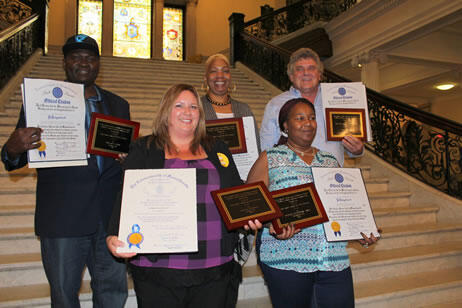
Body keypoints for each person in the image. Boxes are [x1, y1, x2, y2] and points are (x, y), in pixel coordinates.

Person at [1, 34, 129, 307]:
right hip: (62, 219)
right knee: (64, 296)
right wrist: (13, 148)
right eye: (76, 57)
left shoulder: (118, 105)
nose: (84, 62)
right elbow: (17, 156)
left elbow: (124, 158)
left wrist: (128, 159)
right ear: (64, 62)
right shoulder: (41, 101)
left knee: (113, 293)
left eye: (90, 57)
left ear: (98, 64)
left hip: (110, 219)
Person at [106, 83, 261, 308]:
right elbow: (126, 196)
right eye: (179, 105)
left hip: (214, 262)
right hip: (158, 266)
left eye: (194, 107)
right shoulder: (144, 148)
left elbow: (234, 191)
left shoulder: (217, 147)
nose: (187, 112)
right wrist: (113, 233)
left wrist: (249, 215)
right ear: (166, 111)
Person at [247, 98, 378, 308]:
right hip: (287, 260)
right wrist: (272, 225)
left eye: (312, 118)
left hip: (333, 260)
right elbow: (250, 206)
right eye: (300, 118)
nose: (308, 123)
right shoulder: (270, 157)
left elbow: (339, 210)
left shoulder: (329, 161)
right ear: (285, 126)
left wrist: (359, 232)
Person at [259, 47, 363, 166]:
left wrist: (357, 149)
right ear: (291, 76)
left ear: (319, 75)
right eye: (299, 69)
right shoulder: (275, 104)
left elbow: (351, 143)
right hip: (293, 176)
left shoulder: (337, 101)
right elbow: (266, 148)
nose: (306, 73)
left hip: (331, 177)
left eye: (311, 68)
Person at [201, 53, 261, 152]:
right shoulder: (195, 108)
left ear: (230, 76)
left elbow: (255, 148)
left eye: (225, 71)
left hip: (243, 166)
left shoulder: (244, 109)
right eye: (213, 71)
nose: (220, 76)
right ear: (205, 78)